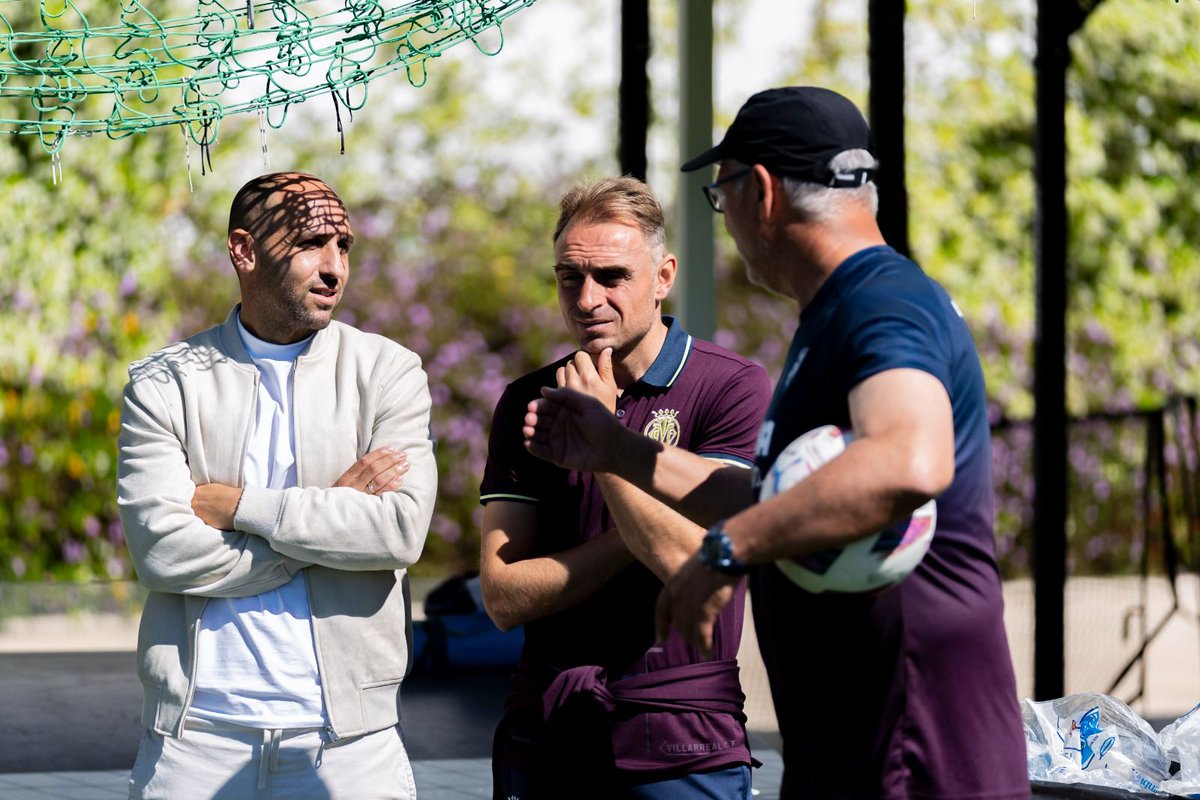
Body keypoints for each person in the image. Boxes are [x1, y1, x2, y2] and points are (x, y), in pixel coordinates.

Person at [522, 88, 1029, 798]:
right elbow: (779, 496)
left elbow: (908, 460)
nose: (723, 220)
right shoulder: (840, 311)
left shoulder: (882, 301)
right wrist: (618, 451)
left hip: (909, 739)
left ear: (757, 191)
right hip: (856, 738)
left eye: (720, 194)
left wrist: (730, 549)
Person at [117, 172, 437, 799]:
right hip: (194, 738)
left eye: (344, 246)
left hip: (350, 743)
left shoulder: (389, 371)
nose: (335, 267)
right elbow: (161, 552)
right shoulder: (164, 382)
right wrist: (335, 515)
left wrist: (242, 507)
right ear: (244, 250)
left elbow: (399, 532)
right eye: (313, 243)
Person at [479, 176, 773, 798]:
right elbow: (503, 597)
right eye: (569, 277)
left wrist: (605, 451)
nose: (587, 299)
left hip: (681, 737)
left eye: (612, 277)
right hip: (548, 728)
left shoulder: (732, 387)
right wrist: (633, 535)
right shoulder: (528, 402)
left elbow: (690, 566)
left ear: (663, 277)